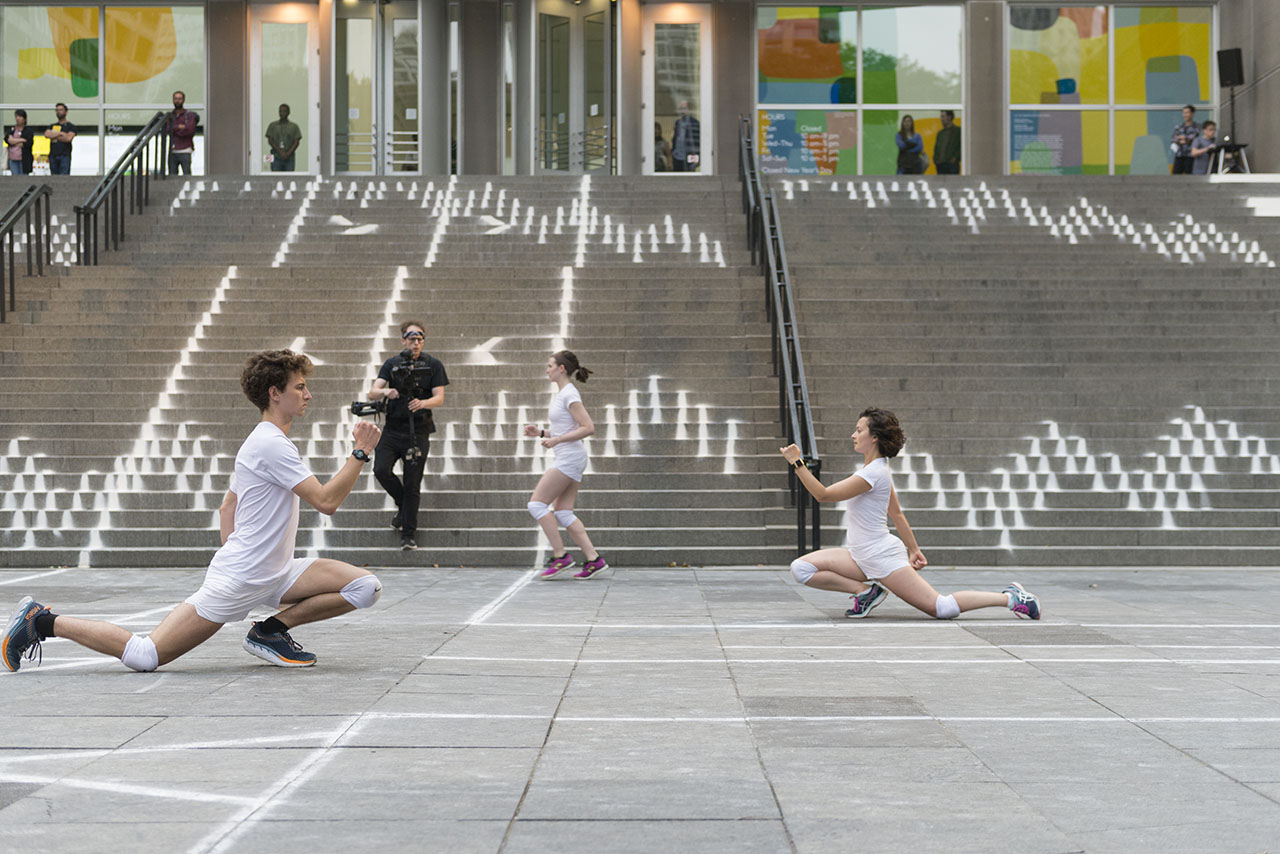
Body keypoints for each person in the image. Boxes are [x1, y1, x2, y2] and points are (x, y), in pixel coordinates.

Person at [3, 349, 385, 674]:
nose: (308, 395)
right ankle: (42, 621)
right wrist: (361, 452)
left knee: (364, 587)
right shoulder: (270, 444)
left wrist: (242, 551)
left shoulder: (265, 441)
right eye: (300, 387)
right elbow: (326, 501)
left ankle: (269, 630)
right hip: (243, 577)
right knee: (146, 655)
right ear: (274, 393)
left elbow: (227, 506)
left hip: (275, 572)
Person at [780, 408, 1040, 621]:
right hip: (860, 555)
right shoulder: (878, 469)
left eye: (859, 430)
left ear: (875, 437)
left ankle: (1013, 598)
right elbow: (897, 514)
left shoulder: (873, 474)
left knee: (942, 608)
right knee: (801, 568)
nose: (853, 435)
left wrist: (797, 463)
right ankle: (865, 592)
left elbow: (823, 494)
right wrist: (914, 549)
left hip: (881, 556)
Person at [523, 350, 608, 579]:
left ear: (561, 369)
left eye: (550, 365)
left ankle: (561, 556)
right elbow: (565, 429)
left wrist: (557, 440)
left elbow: (588, 427)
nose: (547, 369)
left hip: (569, 457)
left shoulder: (570, 394)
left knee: (537, 505)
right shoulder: (564, 394)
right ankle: (594, 559)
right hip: (570, 456)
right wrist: (541, 432)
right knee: (563, 512)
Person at [367, 320, 448, 551]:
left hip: (418, 431)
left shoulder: (433, 364)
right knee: (381, 469)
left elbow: (439, 397)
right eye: (411, 339)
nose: (416, 343)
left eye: (420, 338)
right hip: (393, 429)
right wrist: (386, 391)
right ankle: (404, 506)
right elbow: (372, 391)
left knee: (413, 483)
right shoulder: (392, 364)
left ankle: (408, 534)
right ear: (403, 340)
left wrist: (422, 403)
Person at [167, 91, 198, 176]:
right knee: (172, 177)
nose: (177, 101)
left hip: (185, 149)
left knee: (187, 176)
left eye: (179, 99)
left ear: (183, 100)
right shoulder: (169, 115)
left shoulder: (189, 115)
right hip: (173, 150)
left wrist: (175, 130)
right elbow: (167, 129)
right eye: (175, 99)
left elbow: (190, 130)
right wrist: (179, 127)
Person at [267, 103, 302, 172]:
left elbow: (296, 142)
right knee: (276, 179)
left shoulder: (294, 126)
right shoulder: (272, 125)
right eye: (280, 111)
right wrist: (280, 152)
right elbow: (270, 140)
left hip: (289, 158)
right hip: (276, 157)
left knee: (289, 179)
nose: (282, 113)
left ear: (288, 112)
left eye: (284, 111)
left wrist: (287, 154)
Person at [43, 103, 76, 175]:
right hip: (53, 155)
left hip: (64, 156)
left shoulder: (71, 126)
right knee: (54, 178)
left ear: (66, 112)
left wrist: (54, 135)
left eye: (61, 110)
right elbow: (47, 134)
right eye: (57, 110)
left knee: (64, 177)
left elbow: (68, 138)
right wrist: (61, 134)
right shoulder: (52, 126)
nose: (58, 112)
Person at [671, 101, 701, 172]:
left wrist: (696, 159)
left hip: (688, 156)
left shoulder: (694, 123)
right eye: (680, 108)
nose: (682, 111)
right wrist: (673, 151)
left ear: (689, 110)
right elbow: (675, 138)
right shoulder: (678, 122)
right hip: (677, 156)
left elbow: (697, 142)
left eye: (684, 108)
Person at [1171, 105, 1200, 175]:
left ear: (1192, 114)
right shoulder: (1179, 126)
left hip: (1190, 156)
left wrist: (1185, 139)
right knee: (1175, 175)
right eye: (1184, 113)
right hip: (1179, 154)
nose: (1185, 115)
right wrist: (1184, 139)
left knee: (1189, 175)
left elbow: (1193, 138)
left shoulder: (1197, 126)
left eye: (1187, 113)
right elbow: (1174, 138)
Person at [5, 110, 33, 176]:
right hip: (13, 158)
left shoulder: (28, 131)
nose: (17, 118)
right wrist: (22, 140)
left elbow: (28, 143)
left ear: (24, 118)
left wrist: (14, 141)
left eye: (20, 116)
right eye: (16, 116)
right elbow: (8, 140)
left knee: (24, 178)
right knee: (15, 177)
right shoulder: (12, 130)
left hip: (24, 159)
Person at [933, 110, 961, 174]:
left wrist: (955, 158)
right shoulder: (940, 133)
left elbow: (962, 146)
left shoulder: (958, 131)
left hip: (952, 166)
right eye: (941, 117)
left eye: (943, 116)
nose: (941, 119)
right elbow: (936, 148)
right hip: (940, 166)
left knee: (952, 183)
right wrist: (936, 160)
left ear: (949, 117)